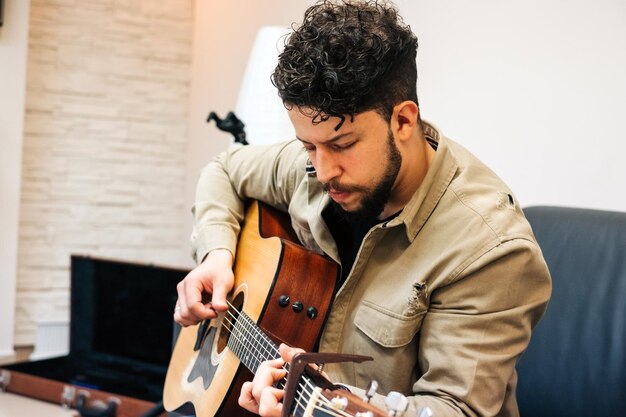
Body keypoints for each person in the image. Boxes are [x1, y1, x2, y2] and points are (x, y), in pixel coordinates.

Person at [174, 1, 551, 416]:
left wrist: (319, 401)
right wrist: (216, 254)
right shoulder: (316, 165)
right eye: (308, 146)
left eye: (342, 145)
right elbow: (224, 170)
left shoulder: (490, 250)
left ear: (404, 122)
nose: (322, 170)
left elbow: (455, 409)